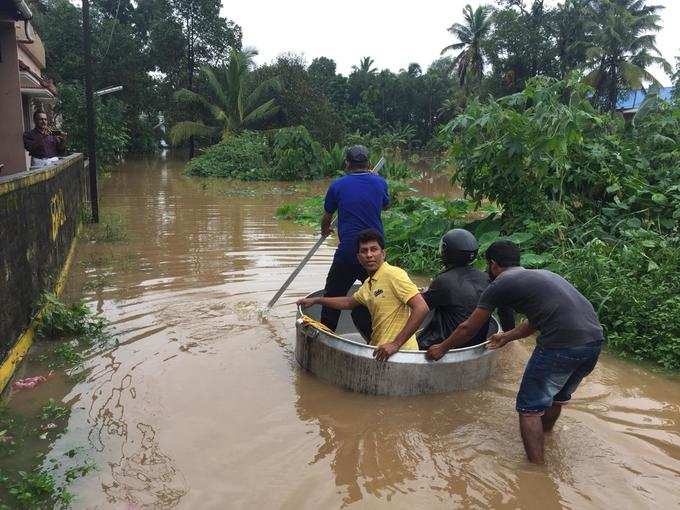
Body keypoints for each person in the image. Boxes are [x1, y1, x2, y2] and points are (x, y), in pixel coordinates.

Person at [426, 240, 604, 464]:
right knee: (555, 399)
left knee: (529, 409)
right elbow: (534, 322)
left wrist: (442, 348)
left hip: (560, 345)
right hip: (594, 343)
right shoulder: (542, 275)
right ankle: (545, 438)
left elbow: (468, 327)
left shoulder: (500, 284)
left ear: (493, 265)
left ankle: (536, 472)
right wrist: (506, 336)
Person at [297, 229, 429, 361]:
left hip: (401, 354)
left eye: (374, 249)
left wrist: (396, 344)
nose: (369, 255)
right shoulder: (368, 284)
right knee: (358, 310)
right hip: (380, 352)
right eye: (364, 251)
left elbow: (421, 307)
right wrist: (317, 300)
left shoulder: (394, 275)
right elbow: (349, 302)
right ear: (359, 257)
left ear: (383, 254)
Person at [319, 145, 390, 340]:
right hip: (374, 254)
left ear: (347, 164)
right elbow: (385, 204)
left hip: (349, 253)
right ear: (368, 164)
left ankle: (325, 337)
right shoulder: (380, 183)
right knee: (381, 297)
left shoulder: (337, 185)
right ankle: (378, 339)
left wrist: (325, 230)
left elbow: (327, 216)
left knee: (332, 296)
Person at [416, 229, 515, 350]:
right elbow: (506, 312)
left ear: (446, 252)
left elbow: (420, 307)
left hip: (446, 344)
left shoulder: (443, 281)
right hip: (478, 341)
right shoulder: (486, 278)